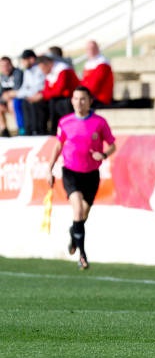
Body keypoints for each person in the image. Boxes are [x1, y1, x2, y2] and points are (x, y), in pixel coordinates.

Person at [46, 86, 117, 270]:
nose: (79, 102)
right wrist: (50, 167)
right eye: (76, 99)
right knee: (77, 211)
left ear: (90, 101)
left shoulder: (99, 122)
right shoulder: (65, 122)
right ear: (72, 101)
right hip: (71, 172)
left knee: (82, 216)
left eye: (83, 99)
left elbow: (112, 145)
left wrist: (103, 155)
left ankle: (73, 233)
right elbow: (57, 146)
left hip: (91, 174)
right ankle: (83, 256)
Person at [28, 54, 80, 135]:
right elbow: (47, 89)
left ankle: (55, 130)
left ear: (48, 64)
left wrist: (42, 95)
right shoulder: (49, 73)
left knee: (53, 103)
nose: (42, 71)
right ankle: (38, 129)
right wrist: (39, 95)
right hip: (57, 97)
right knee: (37, 103)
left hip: (67, 96)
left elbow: (60, 90)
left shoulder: (62, 69)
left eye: (42, 68)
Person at [8, 50, 46, 135]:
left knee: (31, 102)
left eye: (24, 60)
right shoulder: (27, 71)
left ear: (31, 59)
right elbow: (25, 87)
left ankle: (37, 129)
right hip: (30, 95)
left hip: (40, 95)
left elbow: (39, 87)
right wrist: (17, 93)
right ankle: (25, 129)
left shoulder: (40, 69)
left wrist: (24, 94)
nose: (23, 63)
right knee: (18, 101)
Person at [81, 40, 114, 107]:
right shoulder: (88, 63)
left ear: (97, 48)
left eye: (92, 48)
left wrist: (82, 94)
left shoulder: (103, 63)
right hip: (90, 96)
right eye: (88, 49)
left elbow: (95, 84)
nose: (90, 51)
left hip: (100, 98)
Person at [0, 57, 23, 137]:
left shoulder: (17, 73)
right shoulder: (2, 76)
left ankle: (20, 128)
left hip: (19, 98)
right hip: (6, 99)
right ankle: (4, 130)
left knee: (12, 104)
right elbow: (2, 93)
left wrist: (8, 95)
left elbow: (18, 89)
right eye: (2, 66)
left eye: (6, 65)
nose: (4, 68)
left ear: (11, 65)